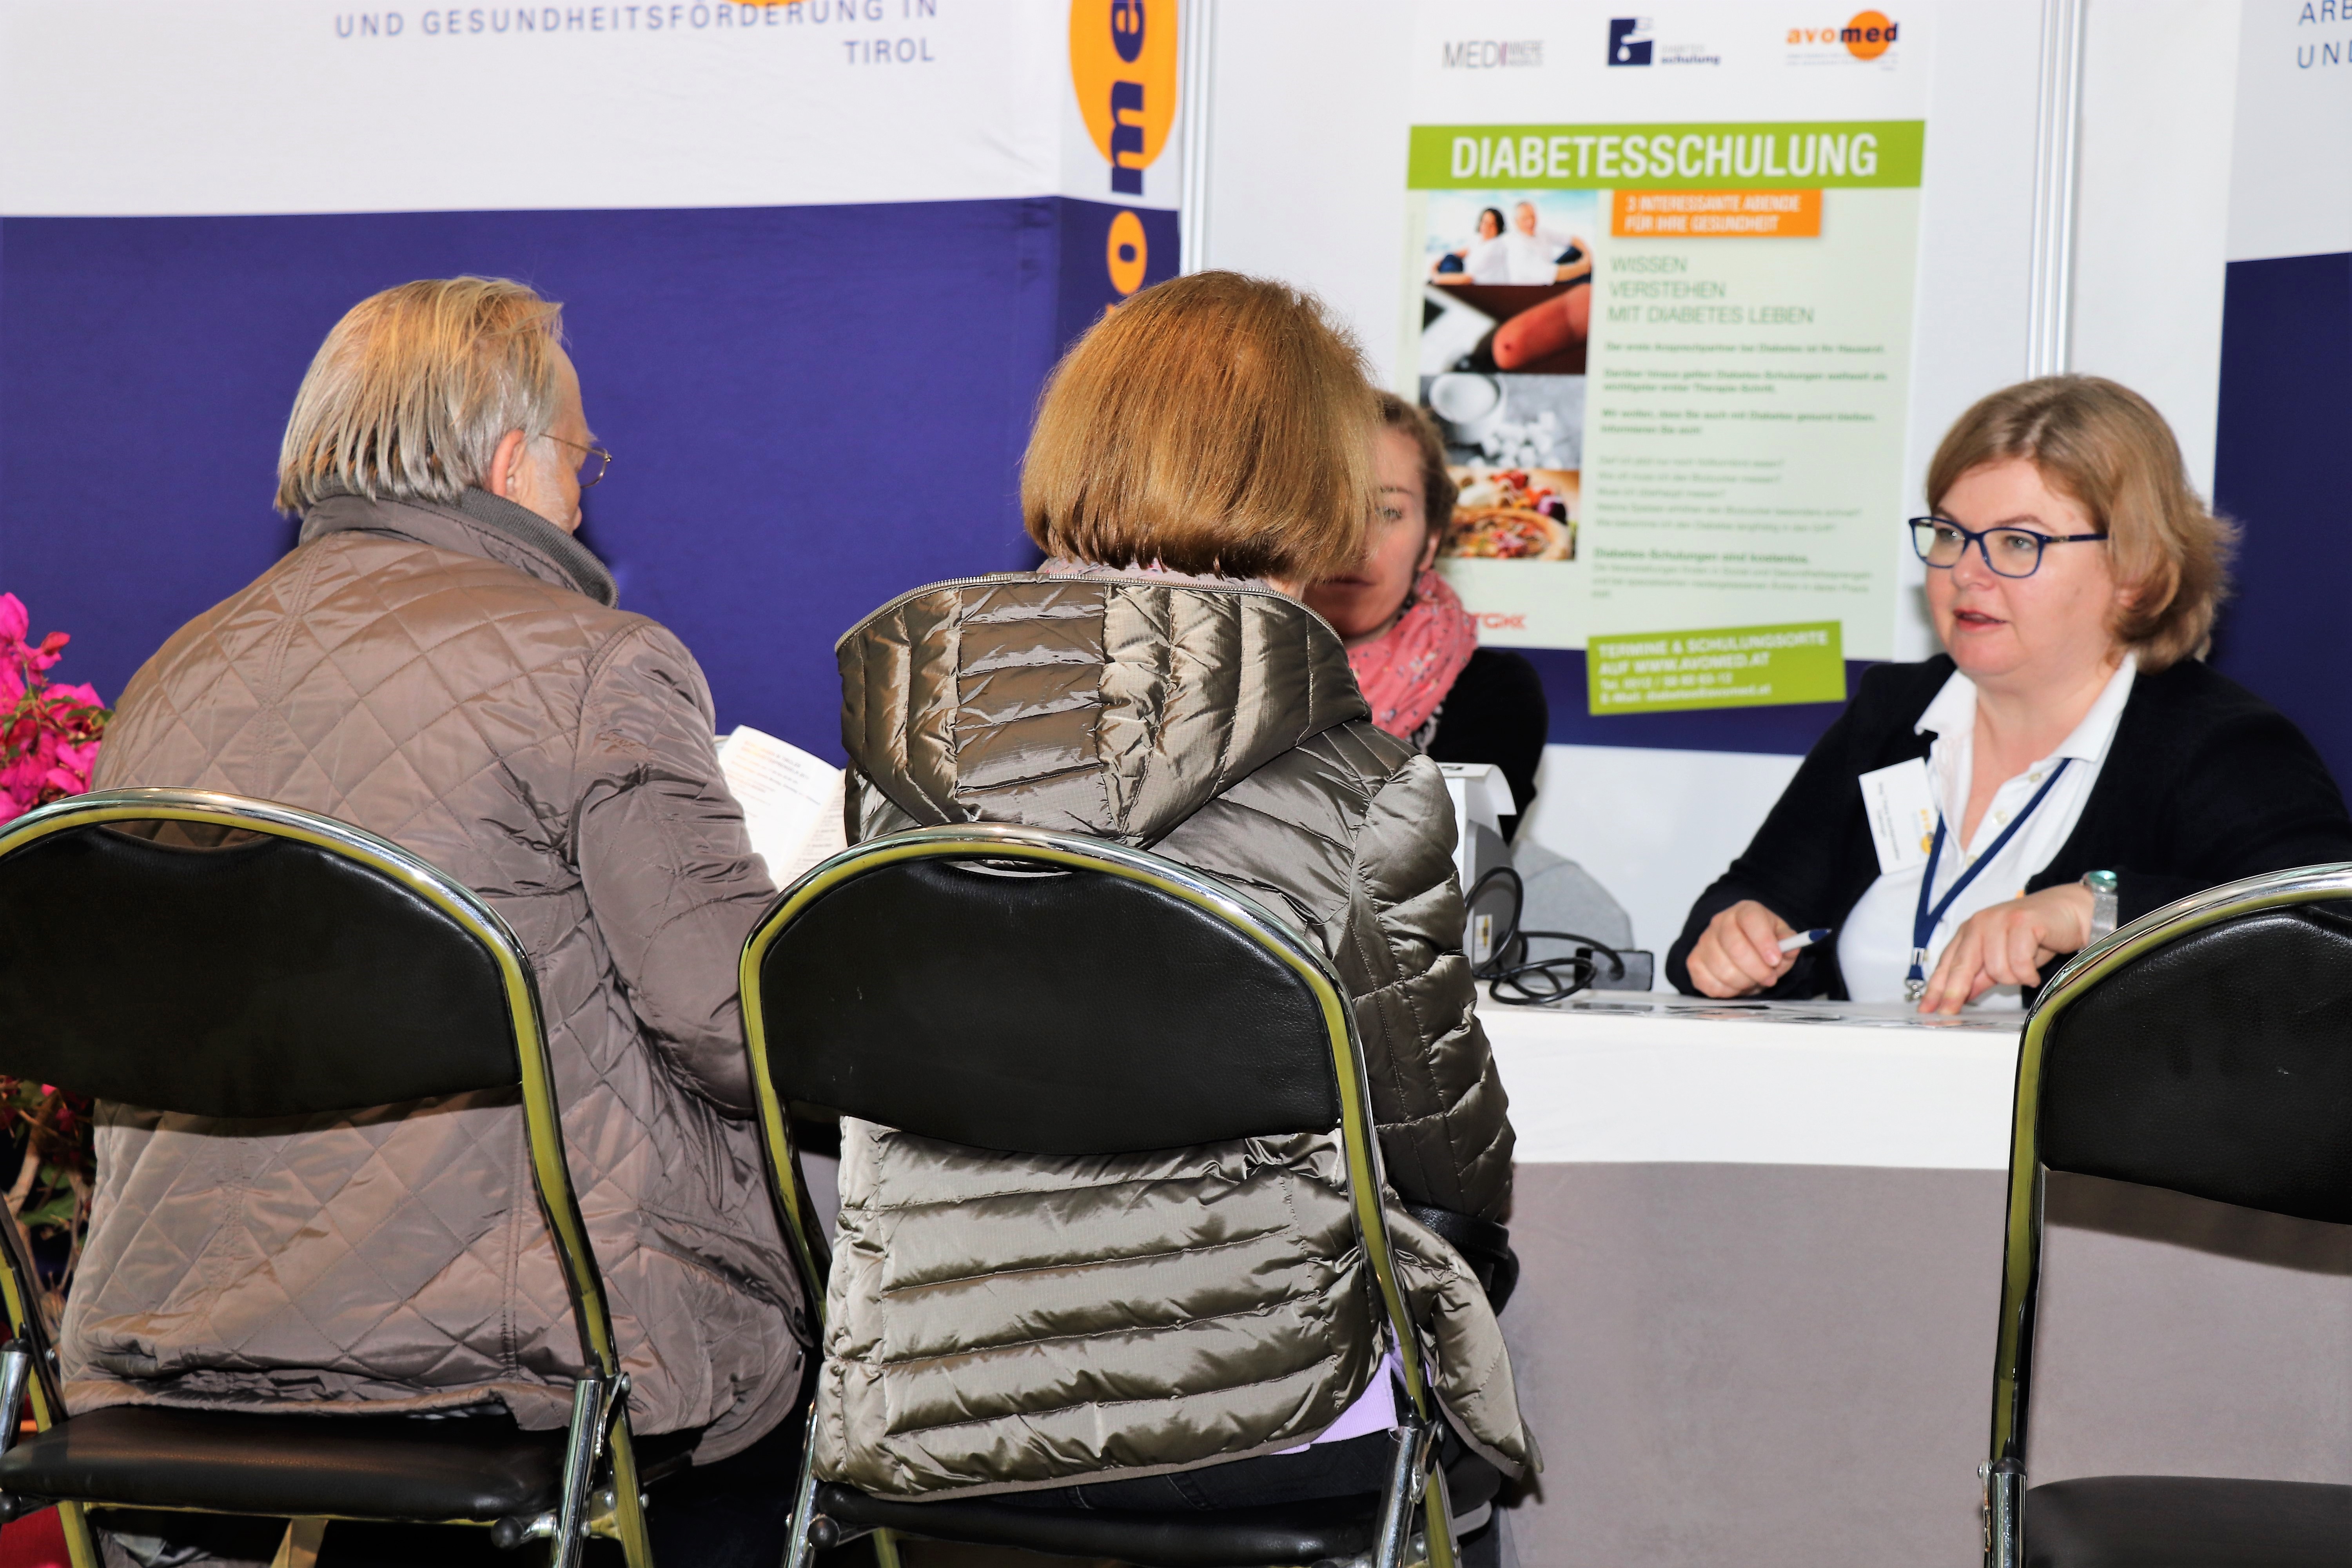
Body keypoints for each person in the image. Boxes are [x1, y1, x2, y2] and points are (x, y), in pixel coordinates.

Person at [71, 278, 803, 1562]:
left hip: (176, 1340)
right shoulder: (597, 667)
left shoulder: (167, 681)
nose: (583, 497)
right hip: (519, 1351)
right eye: (581, 461)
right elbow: (733, 1025)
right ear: (513, 463)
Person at [822, 273, 1535, 1526]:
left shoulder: (893, 771)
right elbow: (1448, 1161)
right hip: (1265, 1412)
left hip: (926, 1404)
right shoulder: (1363, 792)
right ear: (1316, 481)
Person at [1668, 376, 2352, 1013]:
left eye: (2018, 543)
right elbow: (1749, 897)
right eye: (1950, 534)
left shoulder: (2219, 745)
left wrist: (2094, 911)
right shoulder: (1894, 714)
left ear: (2137, 572)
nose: (1967, 572)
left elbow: (2327, 942)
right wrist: (1734, 937)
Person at [1304, 393, 1548, 836]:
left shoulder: (1491, 694)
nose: (1356, 541)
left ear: (1430, 543)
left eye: (1387, 511)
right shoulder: (1222, 668)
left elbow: (1438, 861)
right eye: (1330, 505)